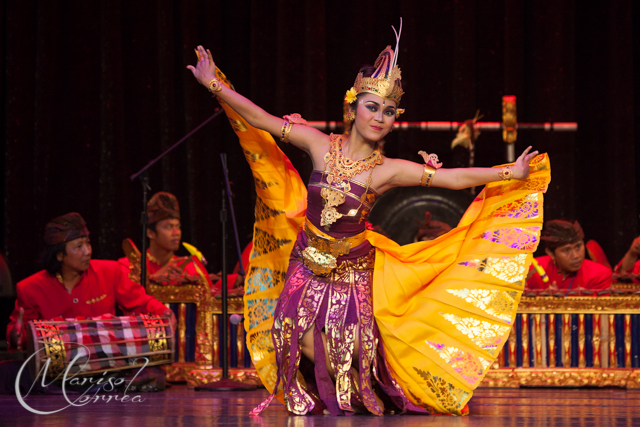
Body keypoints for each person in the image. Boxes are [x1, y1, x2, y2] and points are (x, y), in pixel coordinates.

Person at [188, 23, 548, 416]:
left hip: (352, 266)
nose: (380, 117)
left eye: (389, 111)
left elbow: (454, 179)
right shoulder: (318, 143)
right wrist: (213, 85)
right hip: (306, 258)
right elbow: (261, 119)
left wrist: (507, 174)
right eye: (372, 107)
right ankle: (337, 387)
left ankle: (370, 387)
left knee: (358, 349)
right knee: (287, 329)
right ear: (353, 106)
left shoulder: (388, 170)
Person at [3, 213, 174, 394]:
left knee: (144, 372)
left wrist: (165, 313)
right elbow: (19, 335)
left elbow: (142, 302)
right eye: (79, 246)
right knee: (9, 373)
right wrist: (17, 336)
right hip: (59, 371)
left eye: (88, 243)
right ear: (60, 255)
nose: (88, 251)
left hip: (104, 367)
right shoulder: (30, 288)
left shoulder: (110, 272)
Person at [118, 191, 222, 287]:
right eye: (169, 227)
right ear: (150, 233)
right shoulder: (129, 266)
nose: (176, 233)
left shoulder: (189, 267)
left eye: (178, 227)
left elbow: (209, 301)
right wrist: (156, 277)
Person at [526, 219, 612, 295]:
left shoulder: (600, 275)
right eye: (566, 250)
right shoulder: (532, 270)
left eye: (578, 247)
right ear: (551, 253)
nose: (576, 256)